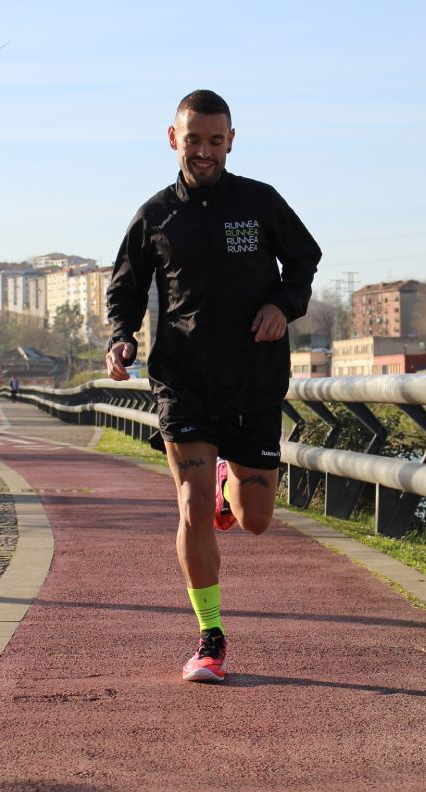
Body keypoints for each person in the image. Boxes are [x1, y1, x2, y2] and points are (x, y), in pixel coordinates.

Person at [105, 89, 321, 683]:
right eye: (193, 139)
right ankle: (211, 638)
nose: (204, 151)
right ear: (173, 139)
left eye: (215, 140)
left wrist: (283, 303)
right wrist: (121, 335)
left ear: (231, 141)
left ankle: (233, 484)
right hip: (184, 379)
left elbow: (304, 259)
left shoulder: (260, 202)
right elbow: (125, 287)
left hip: (253, 378)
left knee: (256, 520)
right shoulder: (155, 215)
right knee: (190, 505)